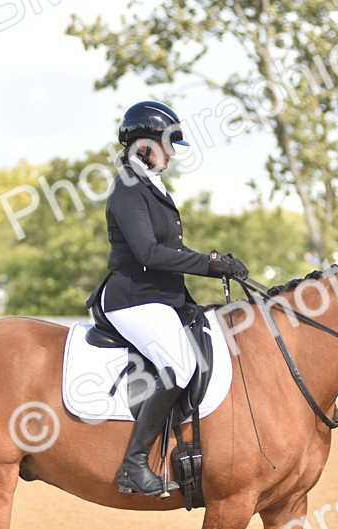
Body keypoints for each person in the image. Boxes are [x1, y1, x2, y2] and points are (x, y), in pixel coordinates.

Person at [87, 100, 249, 496]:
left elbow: (171, 249)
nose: (173, 154)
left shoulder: (151, 186)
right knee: (179, 364)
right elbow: (148, 253)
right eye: (169, 145)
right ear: (144, 145)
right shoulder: (128, 188)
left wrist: (214, 263)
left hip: (159, 297)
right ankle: (134, 464)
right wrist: (208, 265)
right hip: (132, 298)